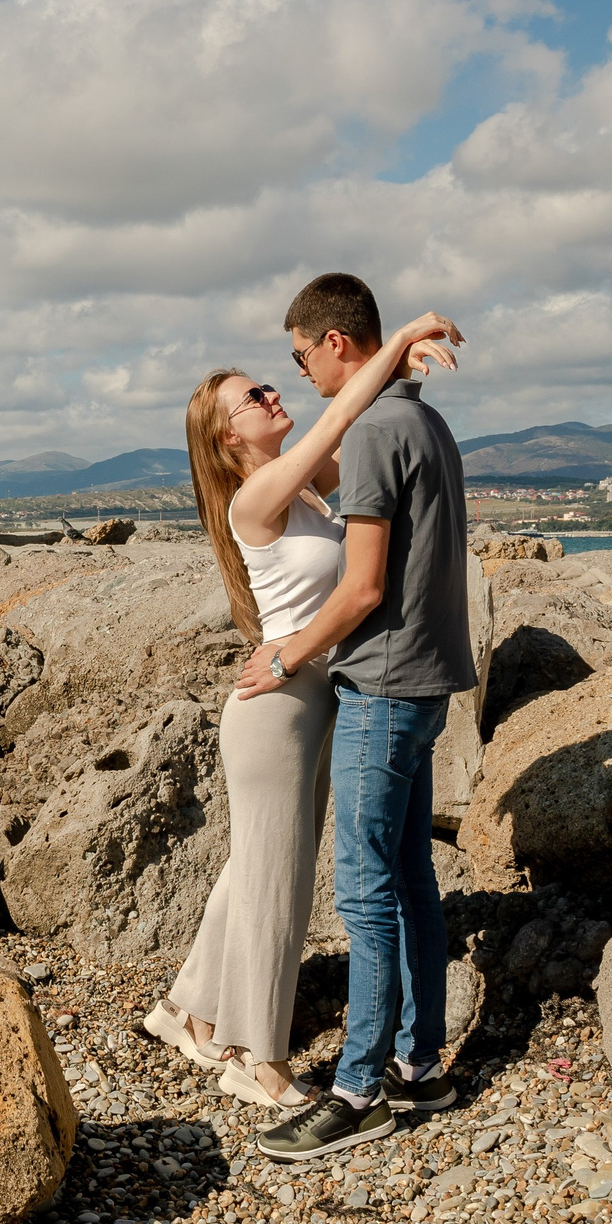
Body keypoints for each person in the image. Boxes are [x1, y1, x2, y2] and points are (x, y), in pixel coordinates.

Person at [139, 306, 465, 1115]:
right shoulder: (256, 496)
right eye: (253, 392)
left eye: (270, 378)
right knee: (280, 882)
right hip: (279, 710)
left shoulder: (306, 489)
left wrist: (402, 372)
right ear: (227, 438)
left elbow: (368, 446)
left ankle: (188, 1008)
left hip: (308, 699)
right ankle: (259, 1057)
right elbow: (345, 414)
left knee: (254, 864)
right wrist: (397, 340)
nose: (272, 388)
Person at [233, 273, 478, 1162]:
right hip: (429, 683)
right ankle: (423, 1064)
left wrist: (286, 655)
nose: (298, 375)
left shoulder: (375, 431)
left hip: (379, 686)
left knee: (367, 891)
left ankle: (359, 1087)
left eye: (300, 356)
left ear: (337, 342)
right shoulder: (422, 421)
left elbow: (364, 585)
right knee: (411, 875)